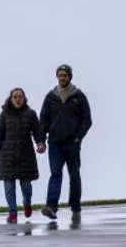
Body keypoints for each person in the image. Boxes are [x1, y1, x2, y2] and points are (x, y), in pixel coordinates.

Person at [38, 64, 92, 224]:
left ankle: (76, 209)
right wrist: (41, 140)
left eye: (65, 75)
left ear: (70, 77)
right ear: (57, 77)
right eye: (60, 75)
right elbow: (44, 120)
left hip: (72, 144)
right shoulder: (50, 97)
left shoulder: (78, 96)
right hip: (54, 143)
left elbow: (87, 120)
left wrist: (78, 137)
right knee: (55, 174)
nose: (62, 78)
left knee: (74, 175)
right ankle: (51, 207)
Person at [0, 87, 45, 223]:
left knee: (26, 186)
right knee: (9, 187)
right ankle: (13, 212)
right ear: (11, 99)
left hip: (25, 155)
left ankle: (27, 204)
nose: (18, 99)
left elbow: (38, 132)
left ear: (24, 98)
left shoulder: (31, 114)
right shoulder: (4, 114)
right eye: (15, 97)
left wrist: (40, 143)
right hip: (6, 156)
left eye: (20, 96)